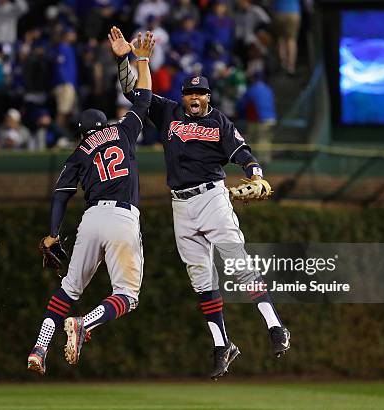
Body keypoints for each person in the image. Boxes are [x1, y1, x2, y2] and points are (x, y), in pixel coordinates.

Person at [109, 26, 290, 380]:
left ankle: (275, 327)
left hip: (212, 197)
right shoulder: (169, 112)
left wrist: (256, 173)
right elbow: (135, 92)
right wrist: (124, 59)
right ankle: (222, 345)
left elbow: (243, 153)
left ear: (208, 97)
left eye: (201, 93)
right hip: (181, 204)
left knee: (237, 265)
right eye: (190, 92)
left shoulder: (219, 121)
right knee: (200, 278)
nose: (195, 97)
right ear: (183, 95)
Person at [27, 32, 155, 375]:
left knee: (68, 289)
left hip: (91, 219)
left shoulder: (78, 153)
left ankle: (39, 349)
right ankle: (85, 324)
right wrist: (139, 60)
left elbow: (61, 195)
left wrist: (53, 233)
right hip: (123, 217)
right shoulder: (123, 130)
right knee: (127, 295)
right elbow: (143, 100)